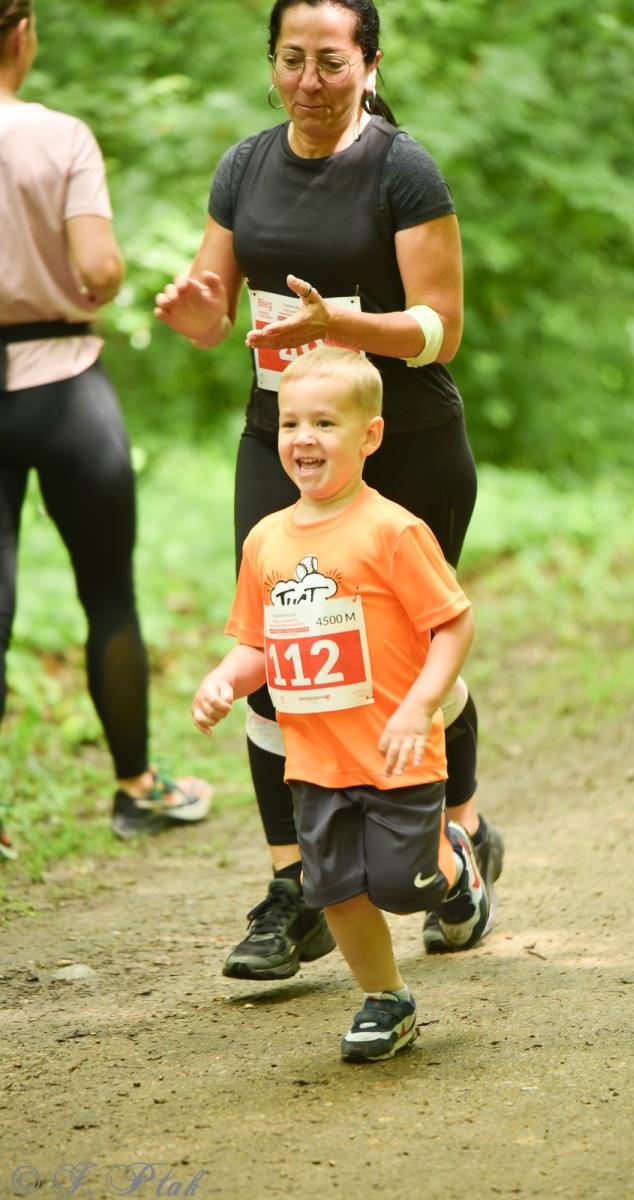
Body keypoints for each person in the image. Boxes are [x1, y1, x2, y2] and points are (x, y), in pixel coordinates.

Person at [155, 0, 502, 977]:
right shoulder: (244, 166)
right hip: (285, 440)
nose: (309, 81)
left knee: (403, 656)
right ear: (272, 62)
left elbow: (441, 328)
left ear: (369, 63)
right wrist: (193, 311)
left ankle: (459, 838)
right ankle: (294, 888)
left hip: (404, 442)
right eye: (291, 59)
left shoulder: (402, 169)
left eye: (331, 62)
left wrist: (341, 328)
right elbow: (215, 312)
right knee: (280, 653)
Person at [192, 347, 489, 1060]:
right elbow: (258, 643)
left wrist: (419, 705)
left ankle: (454, 857)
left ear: (369, 436)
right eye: (291, 422)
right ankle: (386, 1000)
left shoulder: (392, 530)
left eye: (325, 423)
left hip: (396, 749)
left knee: (404, 887)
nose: (304, 438)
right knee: (335, 891)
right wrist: (224, 679)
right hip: (315, 761)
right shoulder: (265, 540)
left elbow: (454, 624)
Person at [0, 0, 211, 858]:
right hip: (65, 385)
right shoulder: (61, 137)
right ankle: (134, 788)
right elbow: (97, 270)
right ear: (23, 34)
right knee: (109, 594)